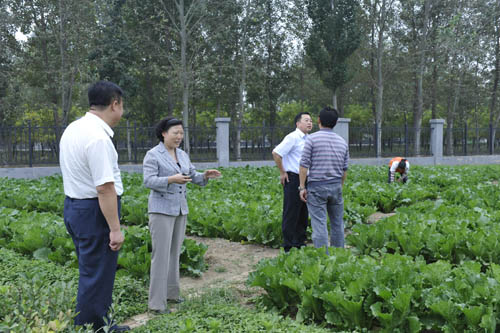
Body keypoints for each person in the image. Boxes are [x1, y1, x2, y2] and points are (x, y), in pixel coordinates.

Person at [60, 81, 130, 332]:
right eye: (121, 106)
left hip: (75, 207)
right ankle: (92, 328)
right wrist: (115, 228)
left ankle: (99, 323)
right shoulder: (98, 138)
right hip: (94, 212)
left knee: (92, 273)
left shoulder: (74, 128)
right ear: (115, 104)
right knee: (96, 276)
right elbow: (104, 188)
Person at [143, 117, 221, 314]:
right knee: (160, 256)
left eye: (181, 133)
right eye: (175, 132)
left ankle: (172, 294)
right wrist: (171, 179)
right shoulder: (153, 155)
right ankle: (157, 304)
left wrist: (205, 176)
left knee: (174, 253)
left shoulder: (183, 155)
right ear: (163, 133)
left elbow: (192, 176)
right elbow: (149, 180)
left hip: (179, 209)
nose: (179, 136)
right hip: (161, 210)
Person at [298, 107, 349, 252]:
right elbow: (345, 169)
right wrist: (340, 185)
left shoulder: (311, 139)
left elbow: (303, 165)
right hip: (336, 186)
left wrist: (302, 187)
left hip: (317, 187)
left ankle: (323, 257)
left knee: (319, 224)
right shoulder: (342, 142)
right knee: (337, 223)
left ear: (319, 120)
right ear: (336, 122)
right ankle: (338, 255)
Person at [272, 112, 313, 252]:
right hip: (293, 178)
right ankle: (289, 244)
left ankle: (300, 241)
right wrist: (282, 172)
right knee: (291, 211)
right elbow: (276, 153)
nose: (309, 123)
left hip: (306, 179)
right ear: (298, 123)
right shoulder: (292, 137)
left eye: (311, 120)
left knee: (303, 211)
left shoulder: (309, 139)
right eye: (306, 120)